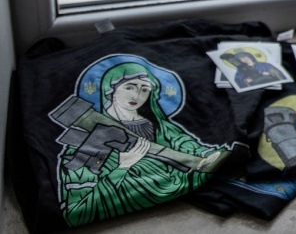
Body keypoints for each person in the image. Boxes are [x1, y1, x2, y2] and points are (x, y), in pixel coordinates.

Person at [55, 59, 228, 227]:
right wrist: (123, 167)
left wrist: (203, 156)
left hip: (177, 183)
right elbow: (76, 211)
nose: (137, 95)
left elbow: (188, 146)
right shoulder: (90, 136)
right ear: (110, 90)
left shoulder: (160, 126)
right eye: (129, 87)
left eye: (145, 89)